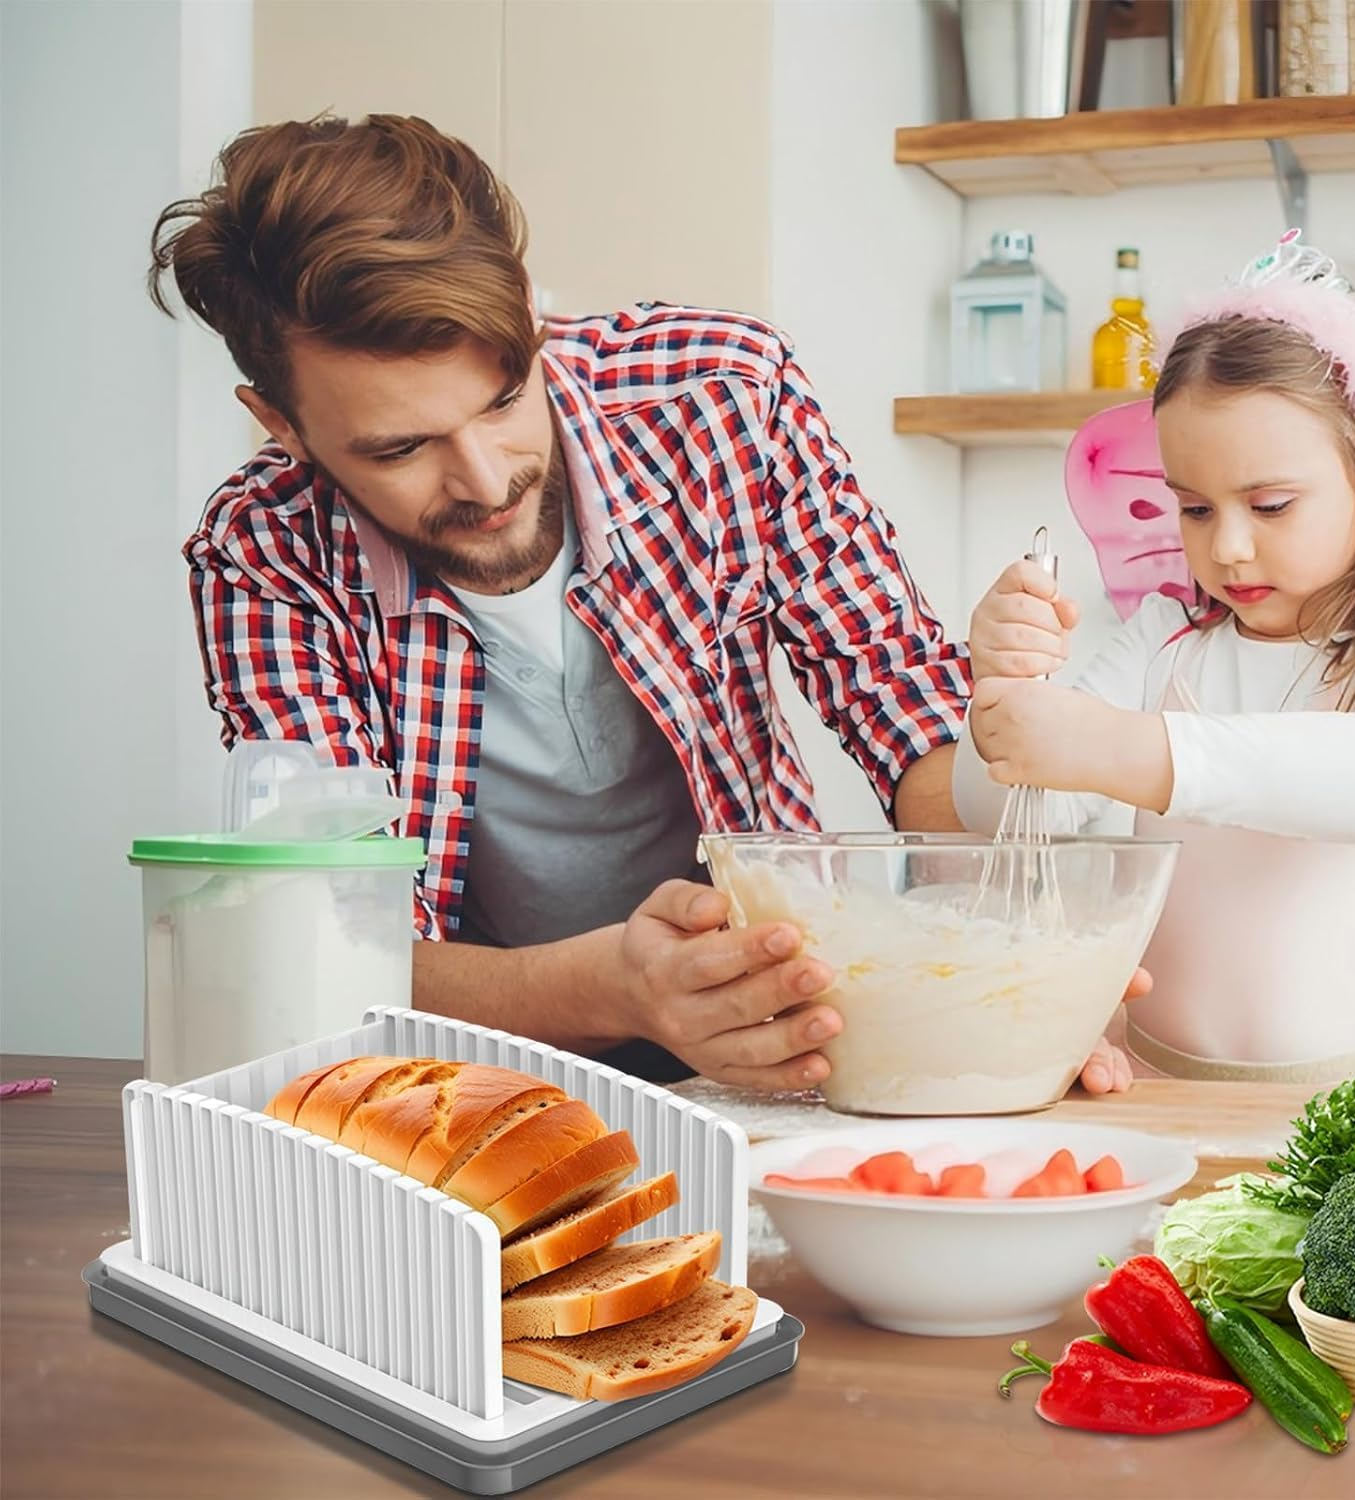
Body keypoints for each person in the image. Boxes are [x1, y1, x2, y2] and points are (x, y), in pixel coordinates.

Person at [149, 113, 1142, 1095]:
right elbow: (336, 944)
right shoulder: (260, 549)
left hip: (769, 1013)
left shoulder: (724, 396)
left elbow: (898, 705)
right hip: (469, 1066)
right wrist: (614, 990)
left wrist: (1032, 946)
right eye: (400, 449)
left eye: (502, 401)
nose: (487, 480)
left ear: (530, 315)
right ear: (280, 422)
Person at [956, 232, 1355, 1083]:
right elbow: (1000, 810)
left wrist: (1123, 748)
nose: (1230, 547)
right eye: (1196, 509)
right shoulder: (1163, 641)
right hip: (1162, 1089)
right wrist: (1004, 692)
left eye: (1271, 504)